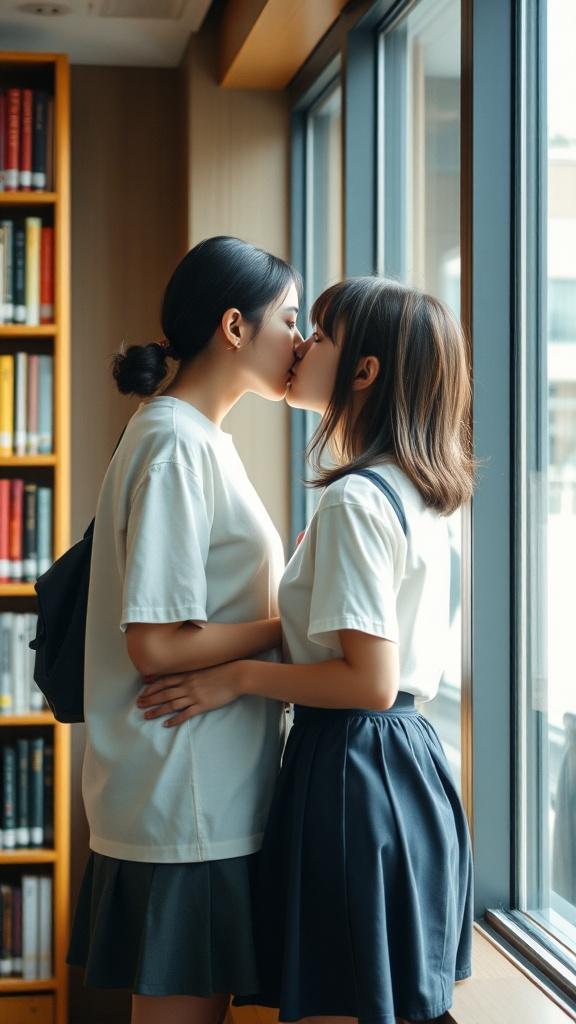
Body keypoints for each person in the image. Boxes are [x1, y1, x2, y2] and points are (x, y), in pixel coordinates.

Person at [138, 276, 475, 1024]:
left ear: (365, 371)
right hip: (409, 770)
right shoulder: (417, 495)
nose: (300, 344)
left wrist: (235, 679)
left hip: (354, 770)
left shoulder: (357, 500)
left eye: (319, 334)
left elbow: (369, 681)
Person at [67, 236, 303, 1024]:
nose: (300, 342)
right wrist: (285, 627)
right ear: (235, 327)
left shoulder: (193, 438)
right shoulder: (175, 443)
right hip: (184, 798)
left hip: (198, 793)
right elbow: (156, 644)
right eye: (290, 320)